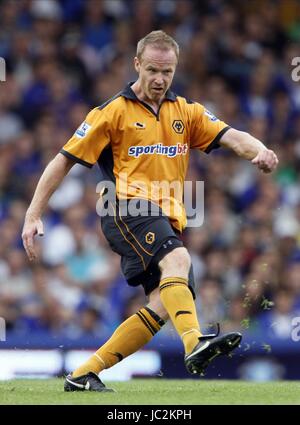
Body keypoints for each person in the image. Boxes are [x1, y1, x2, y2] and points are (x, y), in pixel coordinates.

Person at [22, 30, 278, 392]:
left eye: (168, 72)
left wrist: (260, 151)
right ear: (137, 65)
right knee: (179, 260)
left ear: (175, 70)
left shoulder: (185, 112)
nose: (160, 79)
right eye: (153, 70)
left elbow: (231, 135)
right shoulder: (111, 112)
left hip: (164, 218)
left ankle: (83, 374)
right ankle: (194, 342)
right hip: (123, 207)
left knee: (161, 306)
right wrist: (33, 214)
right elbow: (62, 162)